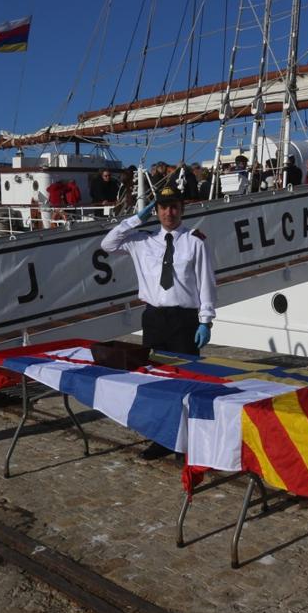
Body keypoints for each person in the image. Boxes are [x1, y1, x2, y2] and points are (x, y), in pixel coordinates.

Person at [100, 184, 217, 460]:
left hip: (184, 320)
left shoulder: (195, 241)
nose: (169, 212)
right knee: (155, 381)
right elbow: (108, 244)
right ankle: (162, 439)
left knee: (186, 383)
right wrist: (136, 218)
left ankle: (186, 444)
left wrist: (206, 321)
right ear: (157, 211)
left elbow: (206, 283)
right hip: (154, 318)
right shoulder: (141, 240)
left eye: (174, 206)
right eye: (163, 207)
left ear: (182, 209)